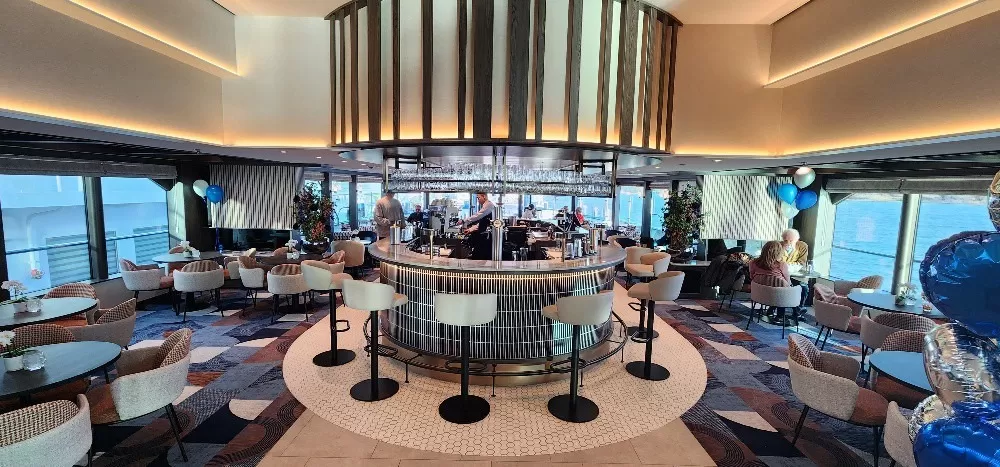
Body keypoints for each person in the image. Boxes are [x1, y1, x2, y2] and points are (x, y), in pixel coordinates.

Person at [463, 192, 497, 259]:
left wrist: (464, 221)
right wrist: (470, 229)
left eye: (478, 198)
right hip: (484, 235)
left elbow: (478, 216)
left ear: (484, 196)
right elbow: (482, 222)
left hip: (487, 235)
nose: (478, 200)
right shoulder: (486, 205)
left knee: (480, 254)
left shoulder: (488, 204)